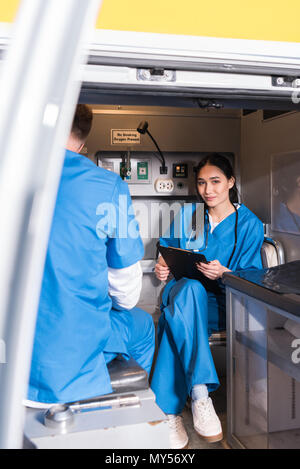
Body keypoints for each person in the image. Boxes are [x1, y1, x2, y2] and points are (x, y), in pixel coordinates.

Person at [26, 104, 155, 406]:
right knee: (143, 325)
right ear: (83, 145)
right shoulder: (109, 187)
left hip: (16, 352)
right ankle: (127, 413)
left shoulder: (12, 173)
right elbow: (126, 295)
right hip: (70, 360)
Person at [151, 153, 264, 449]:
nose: (208, 190)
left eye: (215, 181)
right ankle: (201, 395)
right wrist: (161, 266)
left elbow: (253, 277)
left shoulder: (249, 223)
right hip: (181, 293)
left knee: (173, 320)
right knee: (189, 291)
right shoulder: (189, 214)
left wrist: (226, 272)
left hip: (222, 303)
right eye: (201, 183)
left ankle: (170, 412)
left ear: (230, 182)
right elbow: (165, 251)